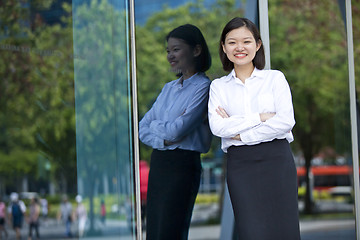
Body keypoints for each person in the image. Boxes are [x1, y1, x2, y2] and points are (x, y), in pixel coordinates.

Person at [208, 17, 300, 239]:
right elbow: (218, 127)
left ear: (258, 45)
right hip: (242, 167)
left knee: (284, 230)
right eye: (232, 42)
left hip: (277, 161)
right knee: (251, 232)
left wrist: (240, 133)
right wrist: (260, 117)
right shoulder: (218, 86)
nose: (239, 48)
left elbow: (286, 122)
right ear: (223, 47)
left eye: (246, 41)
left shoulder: (275, 79)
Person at [139, 24, 212, 240]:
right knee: (154, 231)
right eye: (168, 51)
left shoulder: (204, 87)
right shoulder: (168, 88)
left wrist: (161, 130)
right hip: (160, 164)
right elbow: (143, 128)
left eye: (176, 49)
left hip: (183, 166)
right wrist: (165, 138)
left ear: (196, 50)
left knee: (171, 232)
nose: (170, 55)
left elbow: (178, 129)